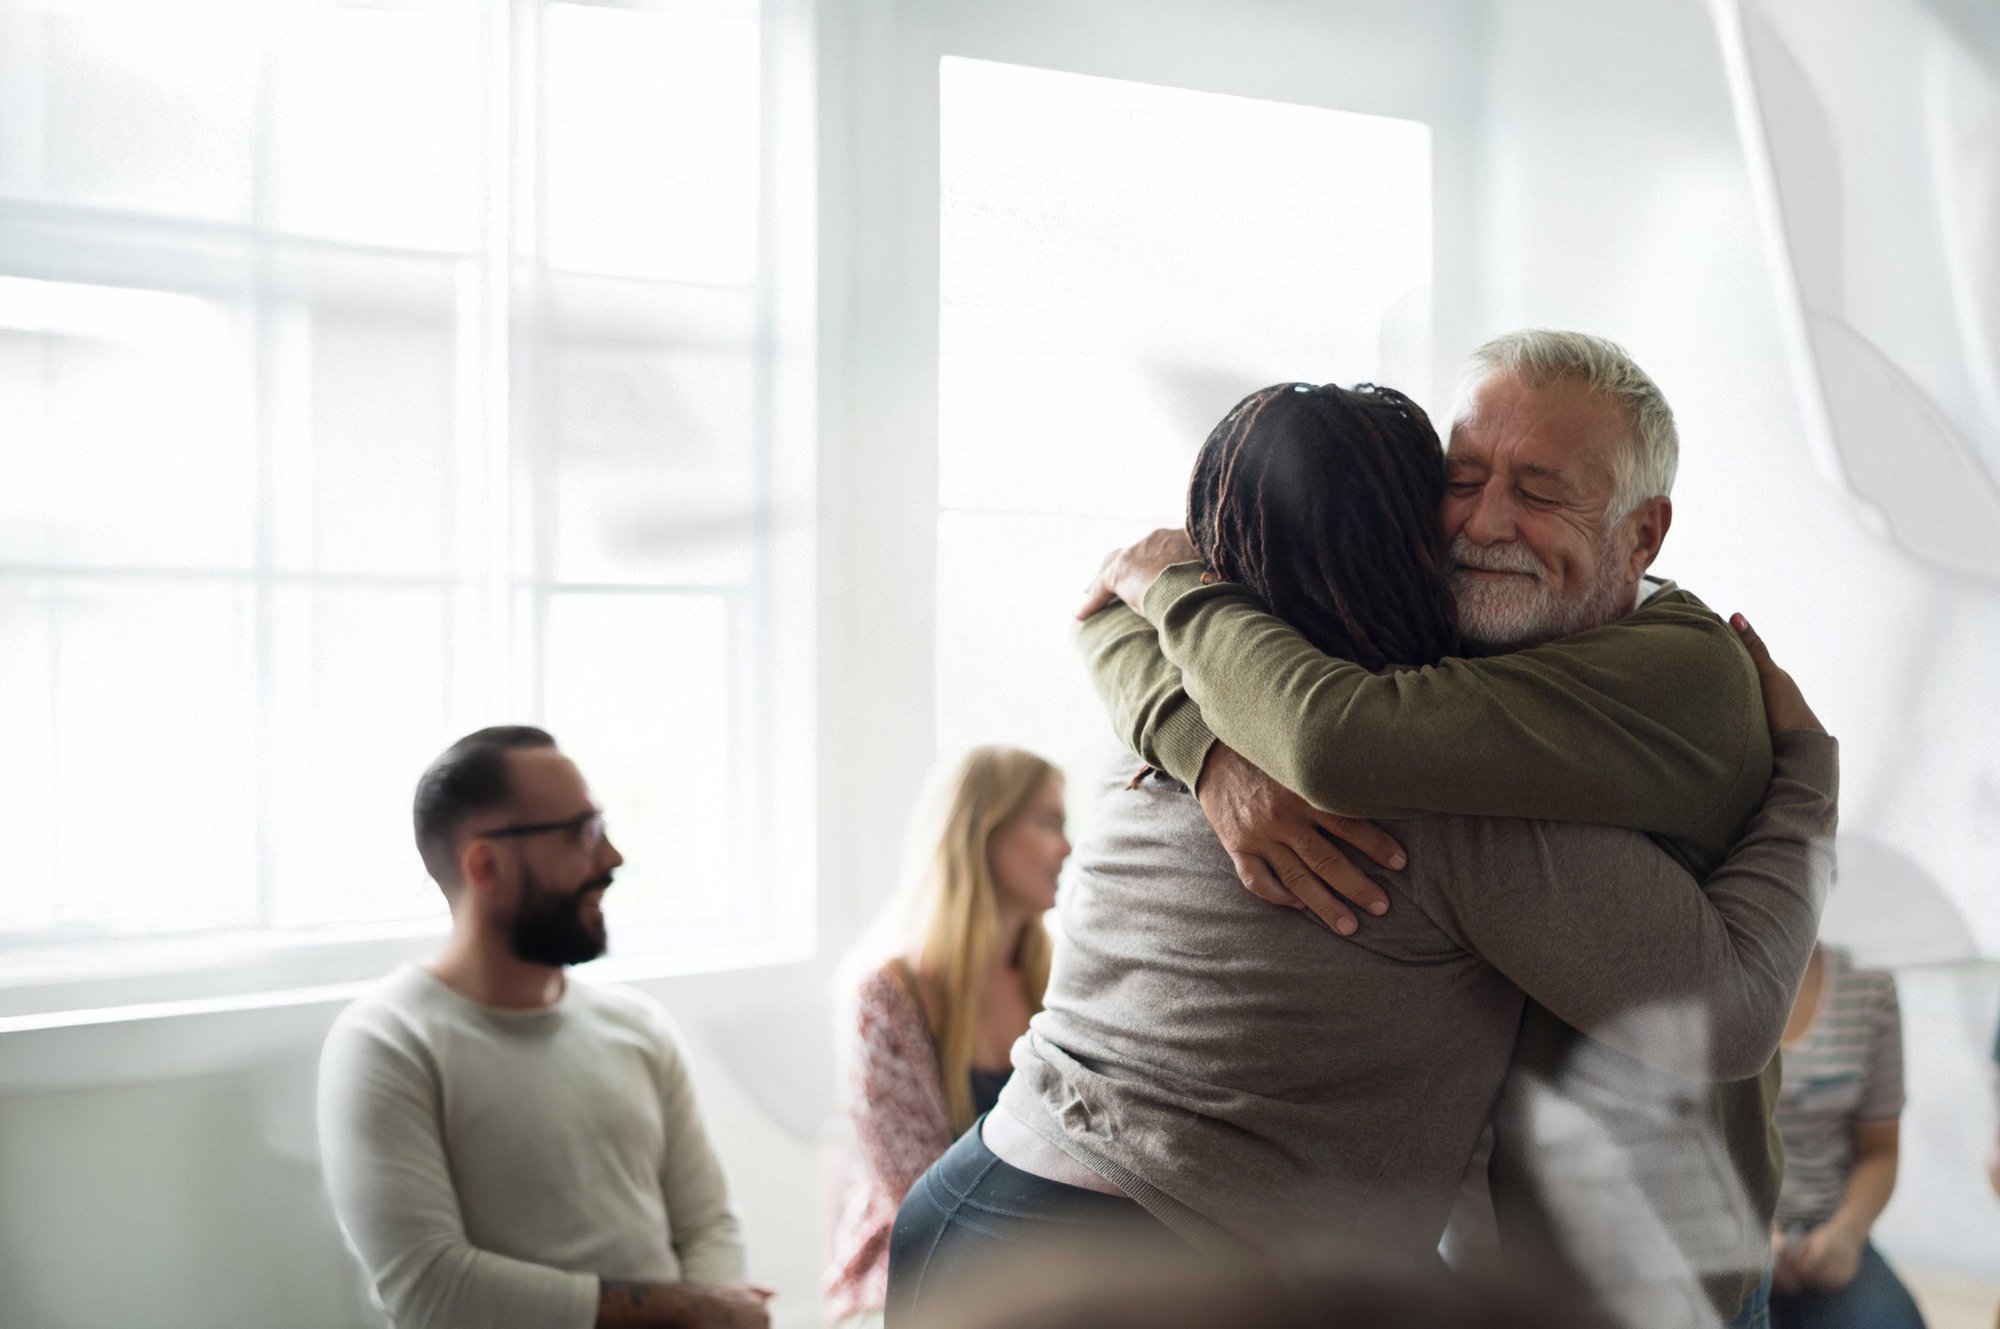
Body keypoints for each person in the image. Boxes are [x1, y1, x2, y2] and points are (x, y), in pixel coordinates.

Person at [885, 378, 1836, 1329]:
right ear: (1415, 541)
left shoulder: (1189, 686)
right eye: (1458, 485)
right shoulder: (1441, 798)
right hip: (1150, 1266)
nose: (1483, 523)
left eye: (1538, 490)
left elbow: (1122, 623)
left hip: (975, 1196)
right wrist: (1811, 772)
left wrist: (1178, 644)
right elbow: (1733, 1010)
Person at [317, 726, 771, 1329]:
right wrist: (693, 1311)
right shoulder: (386, 1044)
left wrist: (711, 1313)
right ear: (486, 864)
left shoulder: (638, 1027)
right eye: (582, 835)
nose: (611, 859)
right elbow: (431, 1292)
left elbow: (708, 1225)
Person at [823, 747, 1069, 1329]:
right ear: (983, 832)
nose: (1068, 848)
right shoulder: (885, 995)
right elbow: (918, 1196)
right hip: (912, 1270)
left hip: (1045, 1261)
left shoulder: (1058, 979)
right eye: (1050, 823)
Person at [1767, 944, 1925, 1328]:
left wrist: (1847, 1232)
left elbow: (1879, 1151)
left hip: (1830, 1233)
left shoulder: (1871, 985)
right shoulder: (1700, 976)